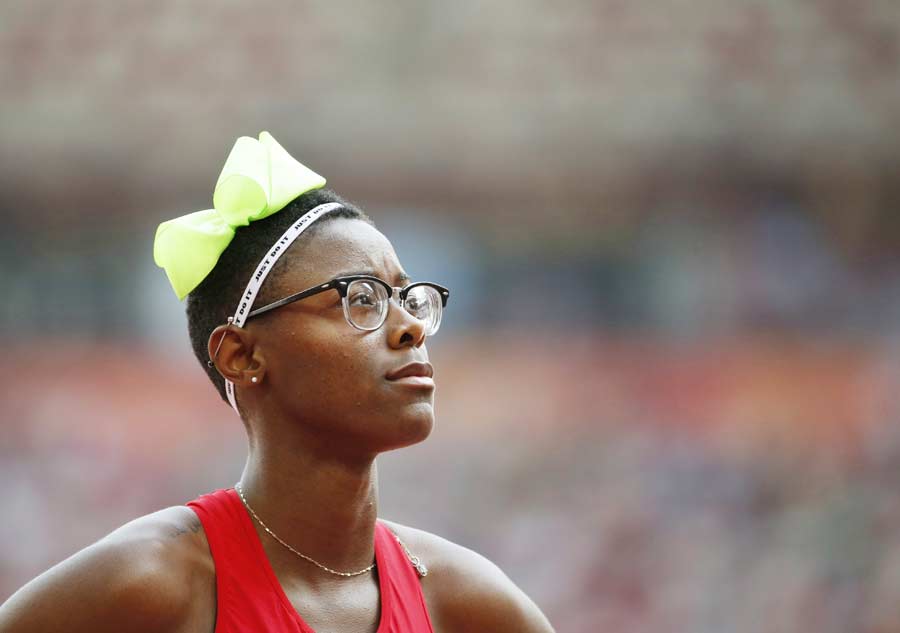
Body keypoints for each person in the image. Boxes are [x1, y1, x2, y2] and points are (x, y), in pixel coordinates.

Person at [0, 132, 555, 633]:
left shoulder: (467, 606)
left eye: (409, 300)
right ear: (241, 355)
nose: (410, 327)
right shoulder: (149, 585)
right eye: (362, 298)